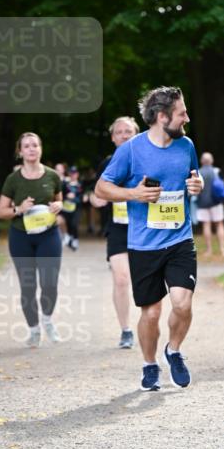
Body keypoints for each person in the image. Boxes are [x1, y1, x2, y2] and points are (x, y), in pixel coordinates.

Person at [95, 86, 203, 391]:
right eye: (181, 113)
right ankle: (149, 364)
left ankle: (175, 350)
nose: (187, 118)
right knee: (152, 312)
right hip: (144, 244)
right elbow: (101, 190)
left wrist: (197, 184)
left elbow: (194, 176)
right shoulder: (131, 150)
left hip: (180, 239)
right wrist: (134, 194)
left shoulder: (187, 145)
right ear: (161, 116)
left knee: (182, 304)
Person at [0, 133, 63, 347]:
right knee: (28, 286)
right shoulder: (13, 180)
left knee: (49, 283)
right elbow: (1, 212)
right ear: (20, 151)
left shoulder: (52, 176)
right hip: (21, 237)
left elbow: (58, 199)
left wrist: (58, 206)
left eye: (35, 145)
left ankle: (47, 320)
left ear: (40, 149)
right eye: (27, 146)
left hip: (49, 235)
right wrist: (18, 209)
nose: (31, 149)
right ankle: (34, 329)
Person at [90, 116, 140, 349]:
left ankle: (149, 322)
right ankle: (126, 329)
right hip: (117, 228)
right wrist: (95, 200)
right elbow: (96, 193)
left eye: (128, 131)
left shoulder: (147, 158)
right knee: (121, 279)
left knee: (148, 279)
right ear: (112, 137)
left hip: (145, 226)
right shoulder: (107, 163)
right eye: (119, 132)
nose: (124, 135)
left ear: (137, 133)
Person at [197, 152, 224, 257]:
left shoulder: (198, 173)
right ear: (211, 161)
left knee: (206, 225)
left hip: (202, 203)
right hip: (216, 202)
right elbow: (222, 186)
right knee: (220, 224)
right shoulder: (216, 171)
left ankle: (209, 250)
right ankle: (223, 250)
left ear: (202, 161)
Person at [61, 166, 84, 251]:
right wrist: (66, 196)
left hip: (77, 207)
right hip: (66, 208)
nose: (73, 175)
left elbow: (83, 194)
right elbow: (61, 195)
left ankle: (75, 240)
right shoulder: (65, 184)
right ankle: (70, 239)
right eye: (71, 173)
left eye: (75, 173)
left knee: (74, 224)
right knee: (69, 224)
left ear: (77, 174)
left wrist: (83, 197)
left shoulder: (80, 184)